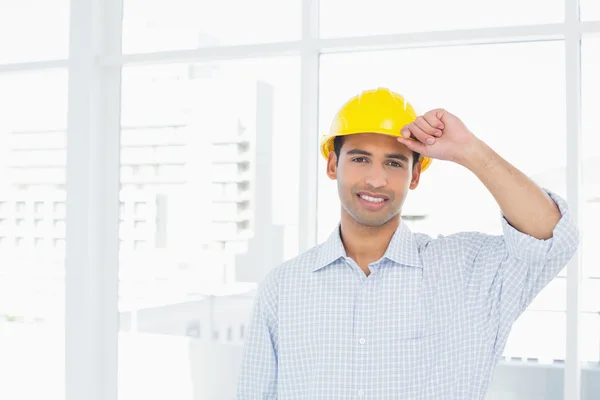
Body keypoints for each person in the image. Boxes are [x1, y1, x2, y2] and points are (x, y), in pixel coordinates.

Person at [236, 88, 579, 399]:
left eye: (394, 163)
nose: (376, 179)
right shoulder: (282, 289)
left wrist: (468, 150)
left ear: (414, 175)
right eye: (359, 158)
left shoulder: (466, 272)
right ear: (332, 165)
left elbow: (551, 236)